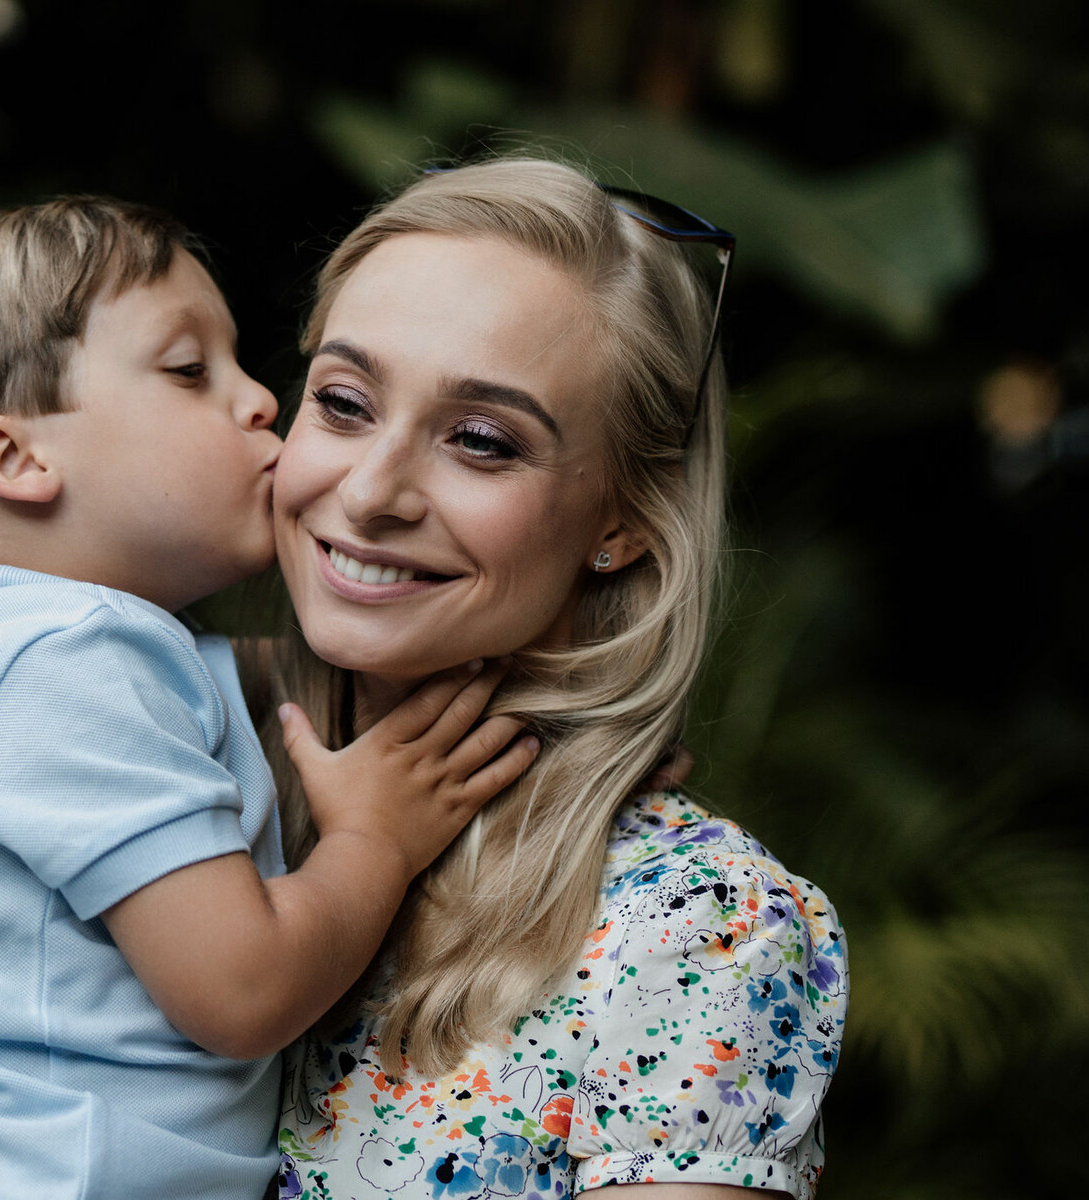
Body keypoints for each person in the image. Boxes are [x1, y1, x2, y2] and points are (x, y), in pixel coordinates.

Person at [0, 197, 541, 1200]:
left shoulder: (12, 663)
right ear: (16, 459)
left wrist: (539, 704)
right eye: (190, 371)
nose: (261, 401)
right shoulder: (61, 671)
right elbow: (241, 990)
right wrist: (378, 838)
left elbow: (283, 683)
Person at [261, 158, 847, 1198]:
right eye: (344, 403)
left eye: (481, 441)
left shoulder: (694, 920)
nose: (370, 489)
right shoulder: (182, 790)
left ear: (622, 521)